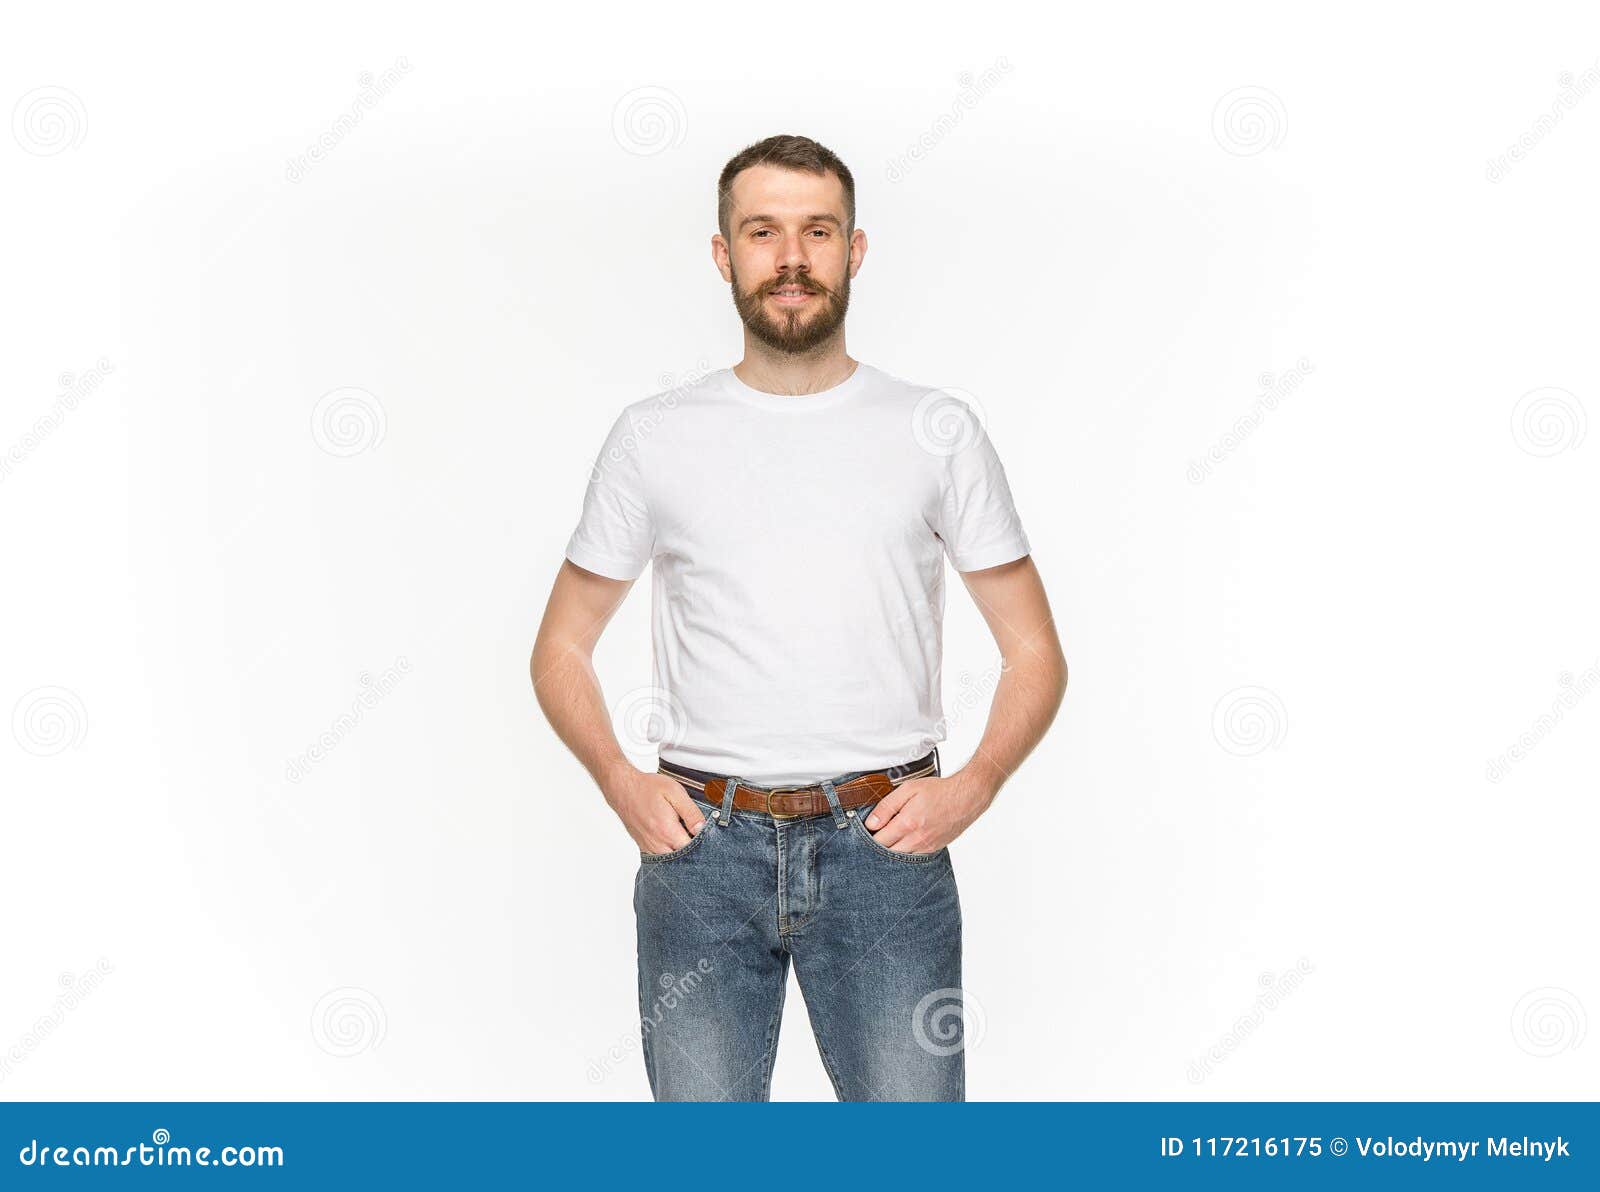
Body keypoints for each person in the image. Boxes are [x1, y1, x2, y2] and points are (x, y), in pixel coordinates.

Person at [532, 134, 1067, 1101]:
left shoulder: (935, 430)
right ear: (722, 253)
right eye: (763, 231)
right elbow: (561, 646)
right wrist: (618, 778)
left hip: (886, 847)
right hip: (700, 856)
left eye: (817, 232)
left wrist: (977, 782)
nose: (790, 258)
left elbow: (1034, 649)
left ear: (854, 251)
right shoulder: (653, 436)